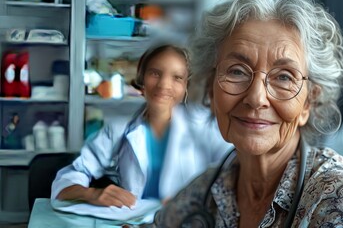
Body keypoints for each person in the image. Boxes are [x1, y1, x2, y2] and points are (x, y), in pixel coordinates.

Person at [148, 0, 343, 227]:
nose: (256, 98)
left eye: (284, 77)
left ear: (308, 102)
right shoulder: (203, 192)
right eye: (237, 71)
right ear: (211, 90)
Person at [50, 44, 232, 211]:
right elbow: (72, 176)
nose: (164, 85)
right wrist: (92, 193)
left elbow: (235, 172)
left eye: (177, 78)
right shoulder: (119, 130)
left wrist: (197, 199)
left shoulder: (203, 127)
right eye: (155, 73)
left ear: (186, 87)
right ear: (141, 80)